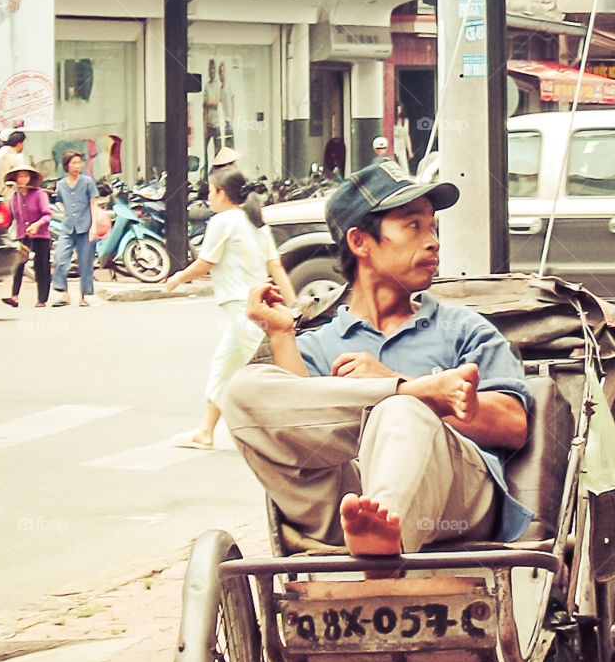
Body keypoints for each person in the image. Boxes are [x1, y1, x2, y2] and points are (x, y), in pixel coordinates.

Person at [222, 159, 532, 560]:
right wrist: (281, 335)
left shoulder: (462, 328)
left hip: (451, 505)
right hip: (344, 510)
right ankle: (374, 532)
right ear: (360, 242)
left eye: (433, 227)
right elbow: (293, 438)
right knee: (242, 388)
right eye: (413, 226)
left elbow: (514, 426)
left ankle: (386, 530)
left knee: (401, 410)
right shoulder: (315, 345)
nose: (433, 242)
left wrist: (398, 387)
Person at [166, 168, 297, 450]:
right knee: (223, 368)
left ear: (221, 194)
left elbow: (206, 263)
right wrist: (293, 304)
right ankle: (206, 431)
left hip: (245, 309)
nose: (208, 197)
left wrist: (177, 277)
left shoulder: (223, 221)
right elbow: (275, 266)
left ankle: (290, 431)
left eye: (210, 191)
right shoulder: (256, 222)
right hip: (253, 308)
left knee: (270, 370)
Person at [51, 150, 99, 307]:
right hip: (67, 227)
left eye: (79, 163)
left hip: (85, 227)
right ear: (67, 165)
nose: (77, 166)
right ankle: (64, 294)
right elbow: (62, 203)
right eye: (74, 163)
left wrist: (94, 226)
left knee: (85, 263)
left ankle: (83, 297)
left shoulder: (87, 181)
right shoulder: (61, 184)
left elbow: (93, 204)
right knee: (60, 259)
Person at [2, 163, 52, 309]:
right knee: (18, 264)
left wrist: (37, 225)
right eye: (20, 176)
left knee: (41, 266)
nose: (23, 179)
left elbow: (47, 214)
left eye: (25, 176)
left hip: (40, 235)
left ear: (30, 178)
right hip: (23, 235)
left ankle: (42, 299)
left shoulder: (39, 194)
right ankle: (14, 296)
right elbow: (10, 218)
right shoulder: (14, 197)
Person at [0, 130, 26, 195]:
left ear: (0, 141)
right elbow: (22, 180)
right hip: (15, 194)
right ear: (19, 144)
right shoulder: (18, 157)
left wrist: (2, 191)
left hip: (1, 194)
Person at [203, 58, 221, 175]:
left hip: (217, 123)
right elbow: (205, 105)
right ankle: (206, 174)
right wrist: (204, 125)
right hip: (208, 123)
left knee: (217, 152)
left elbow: (216, 103)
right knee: (205, 151)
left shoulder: (218, 86)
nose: (212, 71)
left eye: (213, 69)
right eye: (210, 69)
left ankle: (217, 173)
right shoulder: (206, 86)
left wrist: (210, 103)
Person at [393, 101, 415, 173]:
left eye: (400, 109)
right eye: (397, 110)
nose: (398, 112)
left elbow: (406, 136)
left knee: (404, 167)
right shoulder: (392, 121)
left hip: (401, 147)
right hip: (394, 146)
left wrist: (409, 151)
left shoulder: (404, 120)